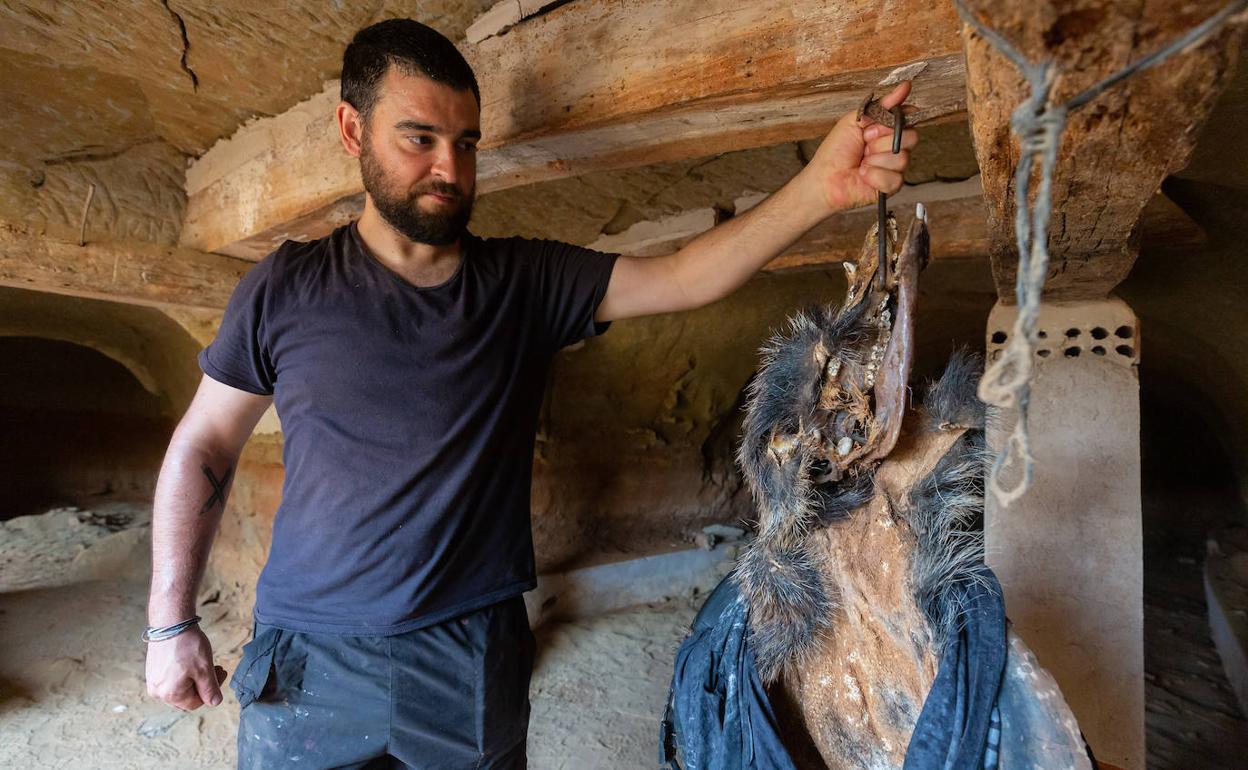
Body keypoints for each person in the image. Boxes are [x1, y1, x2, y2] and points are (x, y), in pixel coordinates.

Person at [143, 17, 917, 770]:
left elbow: (684, 277)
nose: (449, 168)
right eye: (420, 138)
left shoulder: (524, 282)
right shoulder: (284, 288)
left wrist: (822, 186)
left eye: (466, 143)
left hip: (468, 652)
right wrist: (170, 623)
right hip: (309, 656)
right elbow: (205, 445)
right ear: (353, 131)